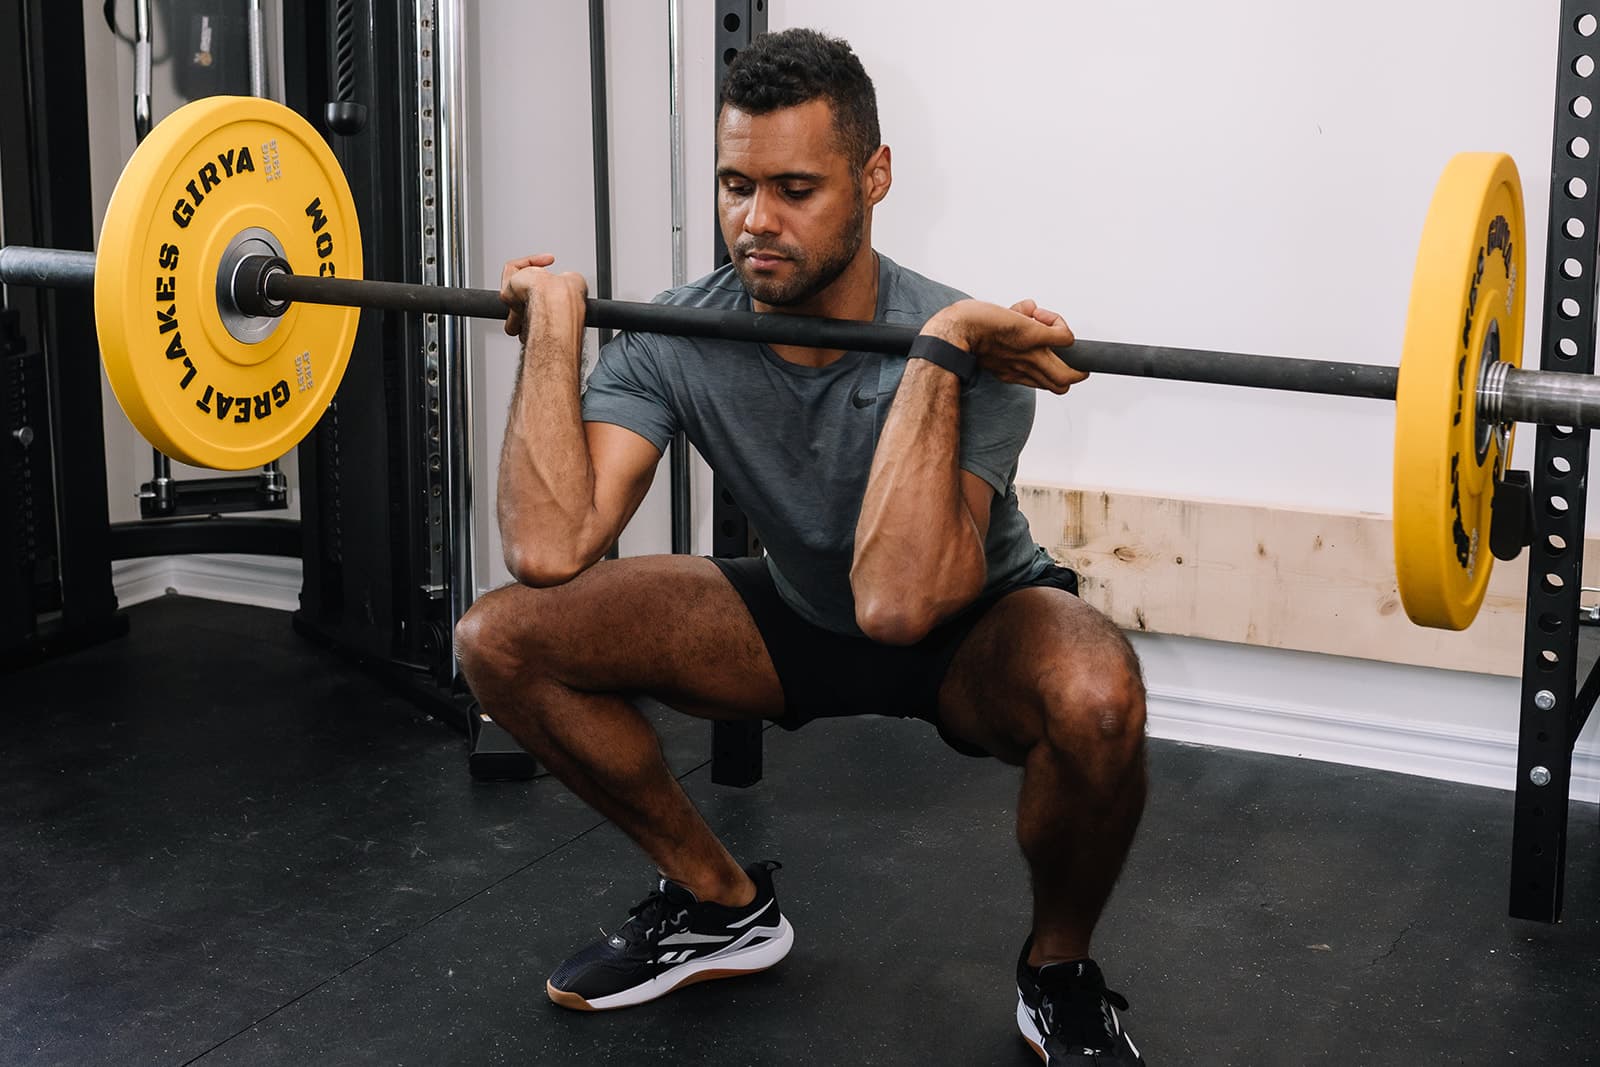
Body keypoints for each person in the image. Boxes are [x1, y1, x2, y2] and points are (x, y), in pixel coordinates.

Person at [455, 27, 1148, 1066]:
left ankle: (1056, 971)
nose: (754, 220)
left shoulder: (976, 340)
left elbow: (904, 604)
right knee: (497, 639)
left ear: (873, 177)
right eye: (736, 184)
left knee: (1098, 699)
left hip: (970, 627)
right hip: (794, 613)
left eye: (793, 188)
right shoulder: (678, 333)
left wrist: (943, 352)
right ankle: (717, 899)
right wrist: (555, 332)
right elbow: (550, 546)